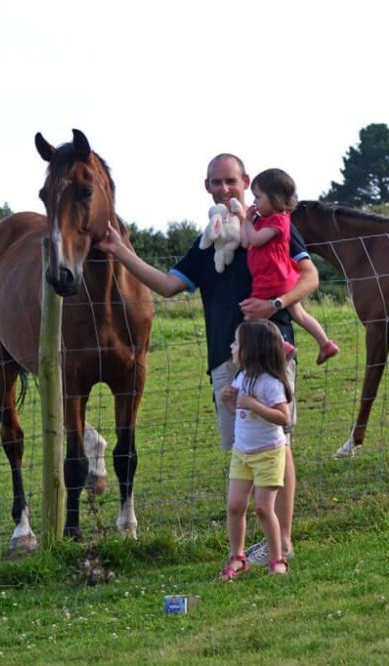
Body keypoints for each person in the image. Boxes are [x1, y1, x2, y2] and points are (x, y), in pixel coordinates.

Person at [97, 153, 315, 566]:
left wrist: (275, 304)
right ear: (206, 187)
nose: (223, 189)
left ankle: (281, 543)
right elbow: (166, 285)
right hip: (225, 359)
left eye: (230, 181)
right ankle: (253, 545)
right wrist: (119, 250)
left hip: (271, 353)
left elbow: (310, 277)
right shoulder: (206, 243)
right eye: (216, 183)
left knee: (278, 443)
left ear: (246, 182)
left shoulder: (272, 226)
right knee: (243, 450)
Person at [236, 168, 339, 365]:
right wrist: (246, 222)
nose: (255, 202)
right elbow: (244, 241)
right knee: (299, 314)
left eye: (258, 197)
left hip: (271, 279)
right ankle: (325, 343)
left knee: (252, 317)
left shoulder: (278, 220)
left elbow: (255, 240)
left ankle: (282, 345)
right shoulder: (268, 220)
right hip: (283, 278)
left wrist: (247, 220)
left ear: (274, 198)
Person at [217, 320, 292, 579]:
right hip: (242, 453)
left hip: (269, 453)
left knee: (262, 508)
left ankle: (278, 559)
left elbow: (284, 418)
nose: (231, 346)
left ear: (251, 349)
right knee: (235, 506)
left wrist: (253, 404)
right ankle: (237, 556)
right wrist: (230, 402)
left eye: (236, 343)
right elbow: (242, 413)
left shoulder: (270, 383)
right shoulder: (241, 377)